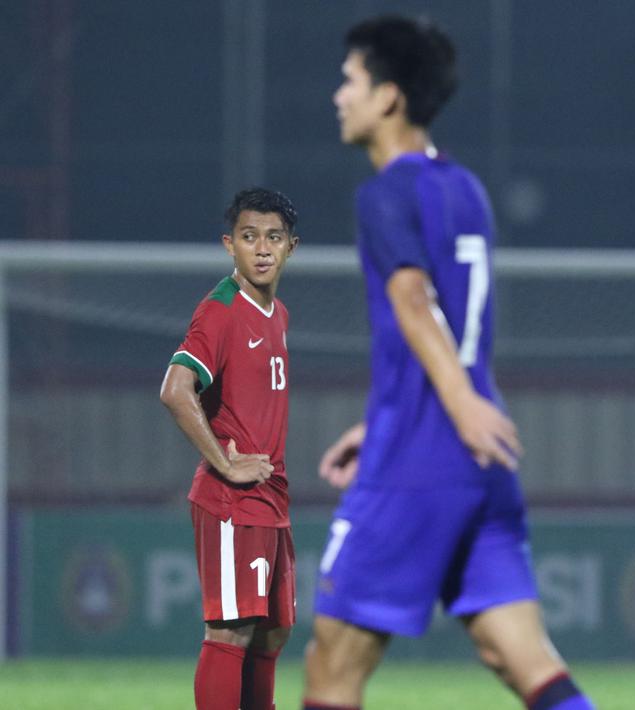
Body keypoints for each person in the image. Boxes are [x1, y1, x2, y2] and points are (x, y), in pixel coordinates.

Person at [302, 16, 594, 710]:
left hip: (423, 459)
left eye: (349, 81)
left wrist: (448, 408)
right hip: (481, 460)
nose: (337, 97)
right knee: (518, 655)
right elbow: (457, 325)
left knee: (330, 667)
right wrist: (396, 417)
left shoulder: (384, 193)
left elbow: (413, 300)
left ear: (388, 97)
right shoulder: (466, 190)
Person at [159, 187, 300, 710]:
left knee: (271, 634)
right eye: (248, 237)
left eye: (273, 237)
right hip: (231, 503)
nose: (261, 249)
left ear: (291, 247)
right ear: (229, 245)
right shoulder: (220, 310)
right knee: (230, 634)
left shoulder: (277, 313)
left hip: (270, 498)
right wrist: (223, 461)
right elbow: (175, 389)